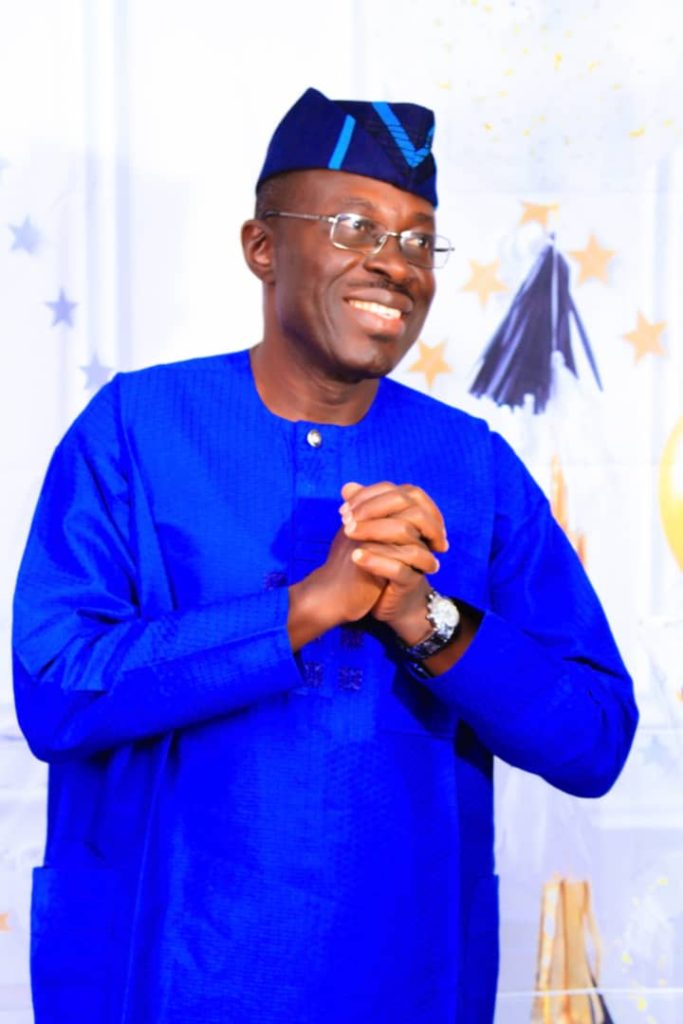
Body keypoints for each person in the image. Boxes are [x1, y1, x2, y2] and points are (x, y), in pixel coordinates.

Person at [12, 87, 637, 1024]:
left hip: (405, 983)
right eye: (355, 227)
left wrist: (421, 617)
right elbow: (56, 690)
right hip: (164, 978)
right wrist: (308, 605)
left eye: (419, 240)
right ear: (262, 247)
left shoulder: (473, 467)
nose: (395, 263)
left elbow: (593, 739)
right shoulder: (137, 429)